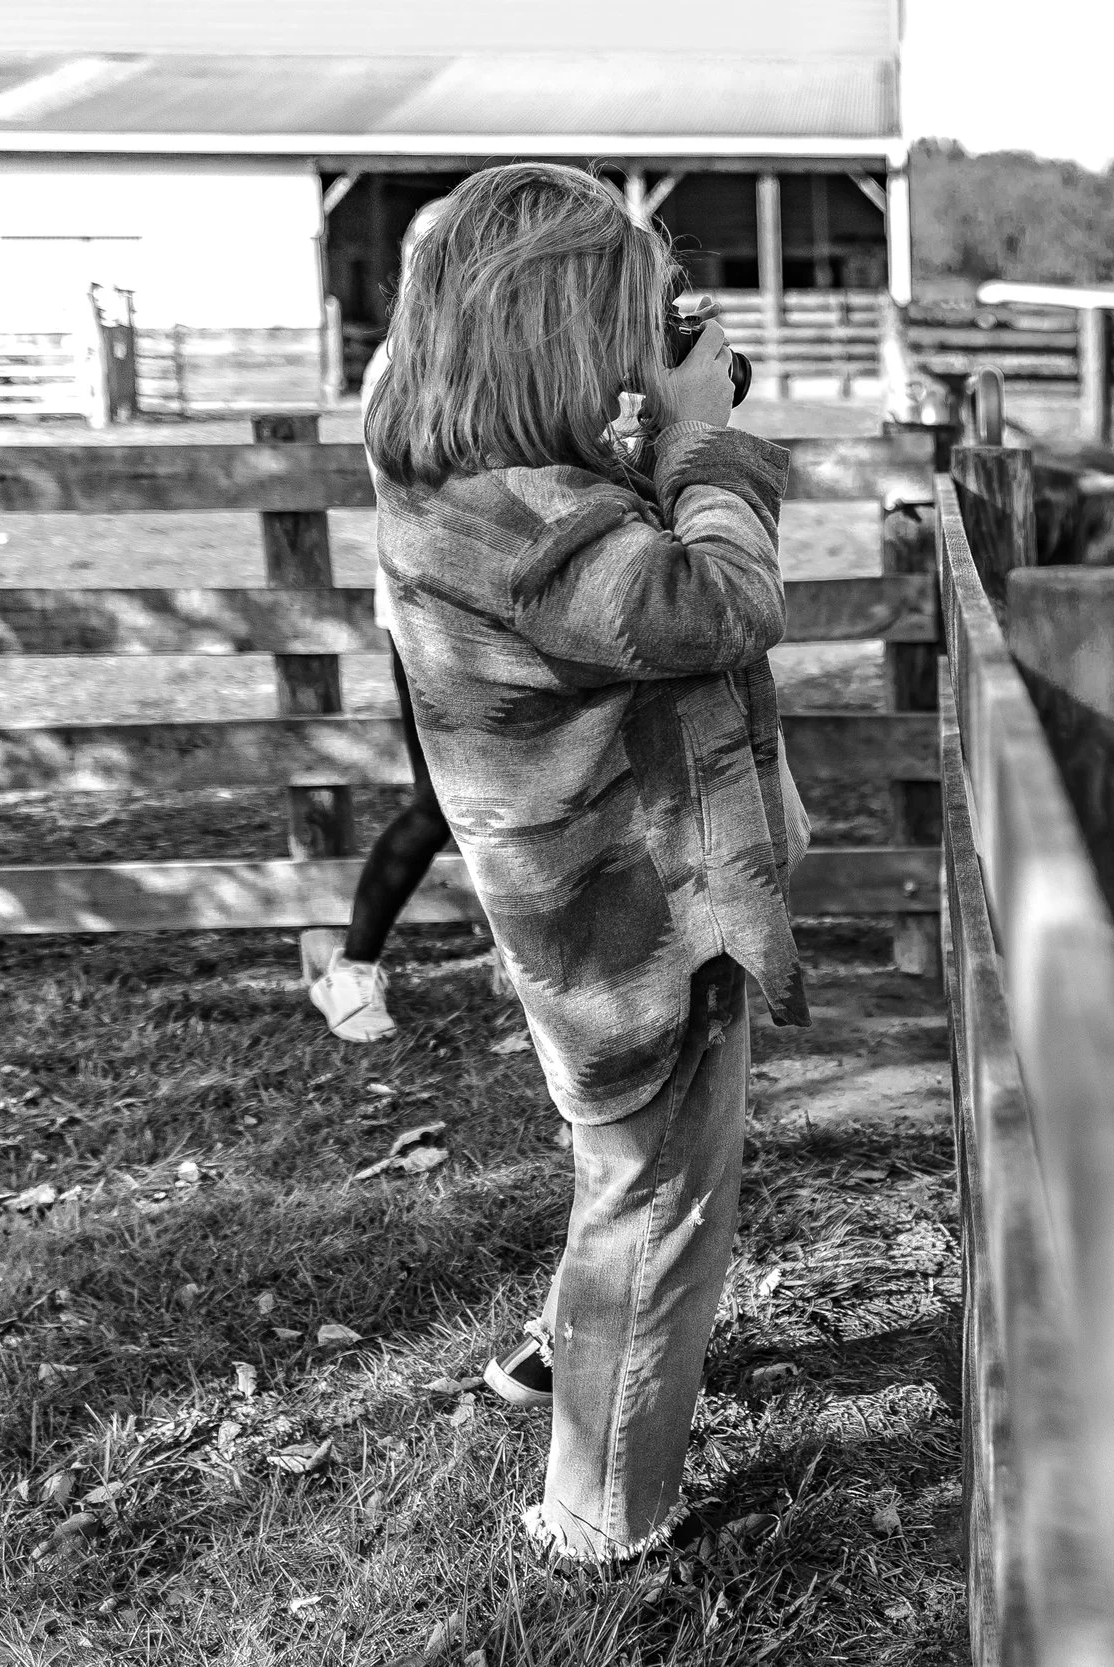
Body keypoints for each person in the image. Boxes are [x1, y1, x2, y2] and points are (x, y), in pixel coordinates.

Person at [364, 161, 809, 1564]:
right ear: (557, 329)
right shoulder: (537, 520)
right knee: (660, 1198)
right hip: (640, 921)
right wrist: (699, 438)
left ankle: (559, 1354)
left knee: (623, 1163)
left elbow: (608, 557)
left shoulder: (466, 474)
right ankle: (599, 1516)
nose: (646, 343)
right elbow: (719, 599)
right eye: (623, 315)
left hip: (589, 907)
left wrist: (653, 420)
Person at [310, 195, 457, 1044]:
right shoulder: (403, 369)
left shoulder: (481, 360)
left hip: (493, 618)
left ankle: (536, 967)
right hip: (428, 618)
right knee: (441, 802)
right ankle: (351, 970)